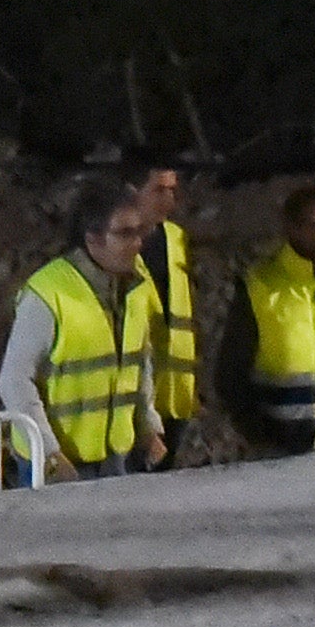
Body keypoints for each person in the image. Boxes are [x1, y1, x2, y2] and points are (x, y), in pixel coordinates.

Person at [0, 179, 163, 477]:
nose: (138, 243)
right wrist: (49, 453)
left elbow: (139, 362)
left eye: (140, 232)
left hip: (116, 458)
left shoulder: (138, 284)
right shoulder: (49, 293)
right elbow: (14, 380)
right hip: (57, 465)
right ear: (93, 239)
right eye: (125, 234)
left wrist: (148, 427)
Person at [216, 182, 315, 454]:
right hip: (278, 452)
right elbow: (231, 374)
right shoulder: (260, 287)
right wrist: (259, 434)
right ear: (293, 229)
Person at [127, 159, 208, 466]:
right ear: (132, 191)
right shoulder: (116, 244)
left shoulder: (175, 239)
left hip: (174, 395)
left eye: (172, 190)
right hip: (132, 397)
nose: (168, 200)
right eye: (158, 189)